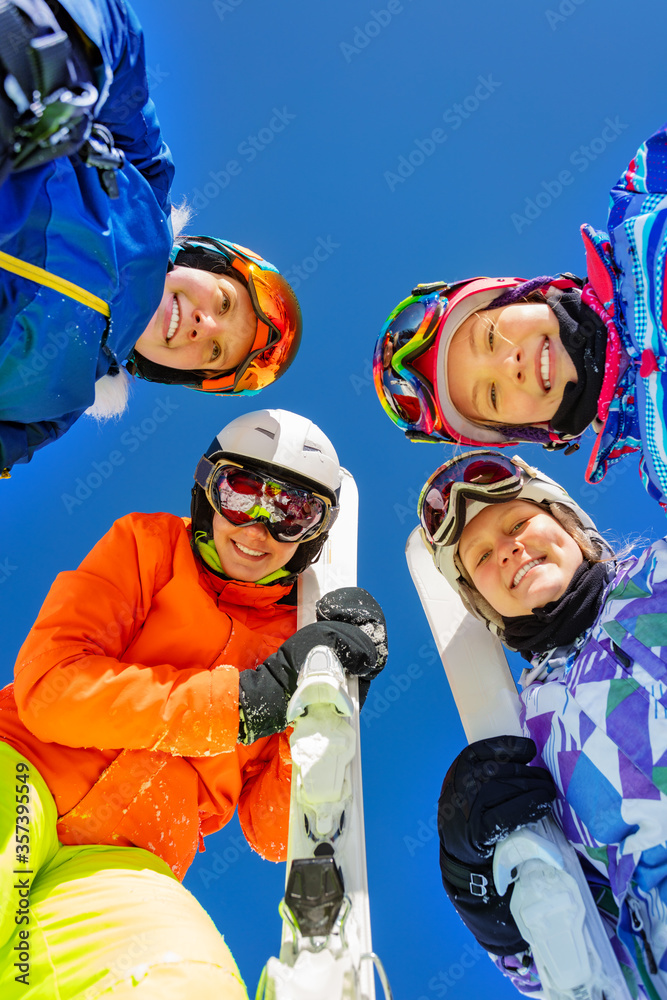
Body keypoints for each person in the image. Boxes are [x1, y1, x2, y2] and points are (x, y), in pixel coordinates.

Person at [0, 408, 387, 999]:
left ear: (314, 533)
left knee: (176, 980)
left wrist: (325, 699)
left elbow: (274, 835)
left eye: (292, 513)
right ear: (208, 490)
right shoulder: (149, 546)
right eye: (241, 493)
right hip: (21, 775)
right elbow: (51, 688)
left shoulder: (295, 646)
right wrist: (242, 702)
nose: (258, 529)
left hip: (127, 860)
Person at [0, 0, 301, 477]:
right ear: (202, 261)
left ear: (177, 373)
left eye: (214, 353)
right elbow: (117, 38)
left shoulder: (54, 410)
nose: (205, 326)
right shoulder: (143, 178)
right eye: (224, 303)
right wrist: (42, 50)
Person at [415, 450, 667, 999]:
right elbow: (568, 961)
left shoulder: (659, 578)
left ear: (572, 527)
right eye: (480, 556)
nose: (507, 549)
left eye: (518, 522)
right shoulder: (528, 741)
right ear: (481, 603)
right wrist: (474, 886)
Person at [373, 120, 667, 511]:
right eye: (492, 395)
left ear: (528, 295)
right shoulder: (661, 470)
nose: (509, 365)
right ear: (535, 432)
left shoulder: (643, 198)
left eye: (490, 338)